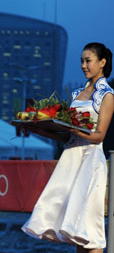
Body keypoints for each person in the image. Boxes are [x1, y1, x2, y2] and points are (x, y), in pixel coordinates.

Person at [22, 42, 114, 253]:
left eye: (88, 60)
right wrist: (38, 129)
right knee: (75, 227)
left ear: (102, 62)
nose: (83, 65)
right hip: (71, 158)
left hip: (90, 161)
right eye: (81, 60)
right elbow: (66, 135)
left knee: (89, 226)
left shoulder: (107, 95)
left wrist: (75, 130)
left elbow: (99, 135)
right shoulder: (76, 94)